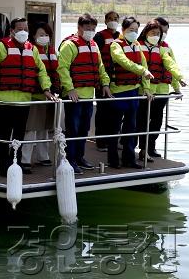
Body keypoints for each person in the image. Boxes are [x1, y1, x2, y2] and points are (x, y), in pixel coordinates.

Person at [0, 17, 56, 176]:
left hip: (23, 104)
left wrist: (46, 89)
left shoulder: (33, 49)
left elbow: (41, 72)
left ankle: (14, 166)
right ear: (12, 31)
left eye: (25, 29)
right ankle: (4, 169)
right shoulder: (0, 47)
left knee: (18, 139)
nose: (23, 32)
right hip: (3, 102)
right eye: (19, 29)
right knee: (3, 138)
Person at [58, 13, 112, 174]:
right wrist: (70, 89)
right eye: (88, 28)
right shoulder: (69, 45)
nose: (91, 31)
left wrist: (106, 83)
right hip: (73, 97)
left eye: (93, 29)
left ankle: (80, 157)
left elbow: (100, 67)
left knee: (84, 129)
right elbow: (62, 68)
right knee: (72, 129)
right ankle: (70, 160)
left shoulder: (94, 45)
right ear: (79, 27)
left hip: (89, 95)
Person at [107, 16, 153, 169]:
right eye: (131, 30)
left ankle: (129, 158)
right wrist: (142, 70)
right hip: (118, 92)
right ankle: (113, 159)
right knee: (114, 127)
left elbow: (144, 65)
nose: (134, 33)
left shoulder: (136, 45)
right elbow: (124, 62)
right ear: (123, 30)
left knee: (131, 128)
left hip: (133, 92)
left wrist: (146, 88)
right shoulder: (115, 45)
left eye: (136, 30)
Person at [135, 20, 186, 161]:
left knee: (157, 121)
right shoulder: (138, 46)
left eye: (163, 33)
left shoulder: (165, 49)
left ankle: (150, 147)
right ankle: (142, 148)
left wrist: (177, 86)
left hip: (162, 90)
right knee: (142, 120)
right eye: (156, 32)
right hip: (144, 91)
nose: (160, 35)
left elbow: (172, 67)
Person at [22, 22, 60, 169]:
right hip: (35, 96)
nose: (44, 37)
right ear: (33, 36)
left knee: (44, 128)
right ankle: (25, 159)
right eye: (40, 35)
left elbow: (57, 71)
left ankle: (43, 156)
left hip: (49, 97)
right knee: (30, 129)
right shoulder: (31, 51)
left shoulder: (52, 51)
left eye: (46, 35)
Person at [93, 11, 120, 151]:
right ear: (105, 21)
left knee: (115, 111)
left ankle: (114, 140)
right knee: (103, 110)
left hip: (118, 80)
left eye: (115, 19)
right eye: (110, 19)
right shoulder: (99, 36)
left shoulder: (121, 36)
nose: (113, 21)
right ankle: (101, 141)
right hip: (103, 79)